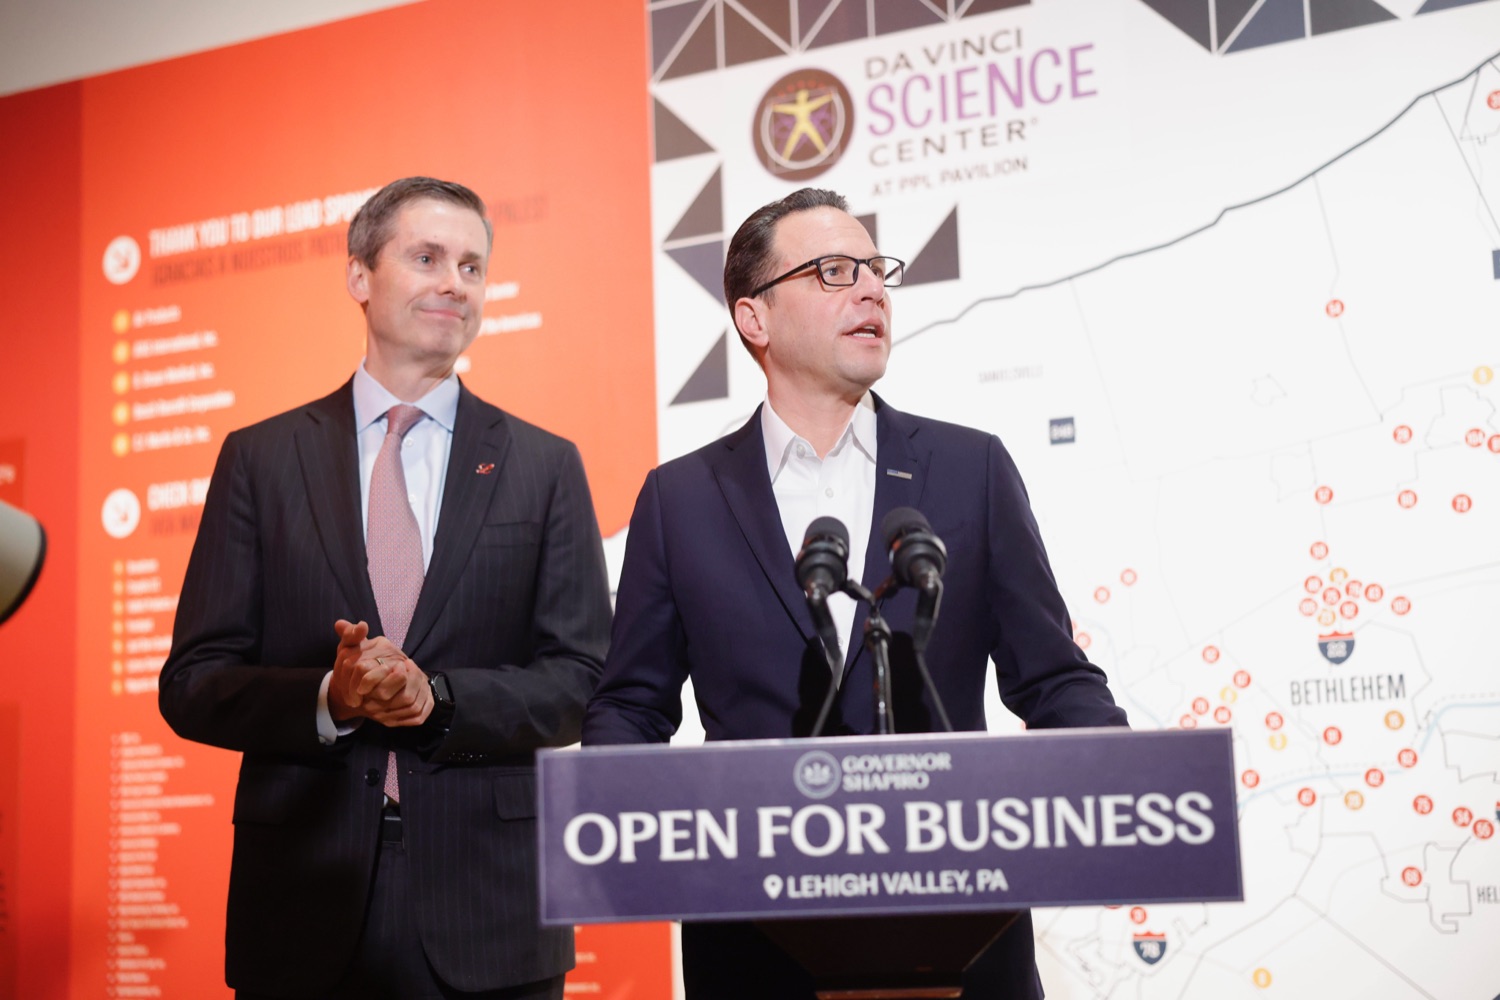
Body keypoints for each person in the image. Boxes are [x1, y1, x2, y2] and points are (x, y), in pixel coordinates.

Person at [583, 188, 1128, 998]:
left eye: (876, 270)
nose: (871, 289)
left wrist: (1124, 779)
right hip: (756, 945)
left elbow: (1052, 678)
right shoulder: (680, 499)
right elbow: (632, 704)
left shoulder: (971, 469)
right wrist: (615, 821)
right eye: (834, 272)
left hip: (957, 924)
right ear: (755, 318)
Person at [160, 176, 611, 1000]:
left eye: (472, 267)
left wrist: (438, 701)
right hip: (301, 897)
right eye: (427, 258)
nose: (455, 283)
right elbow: (194, 682)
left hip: (491, 910)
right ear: (359, 276)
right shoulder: (260, 460)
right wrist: (331, 698)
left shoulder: (545, 465)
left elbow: (583, 680)